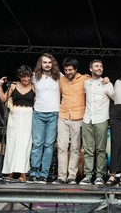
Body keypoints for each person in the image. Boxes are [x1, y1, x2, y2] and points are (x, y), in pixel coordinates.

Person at [52, 57, 90, 185]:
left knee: (75, 148)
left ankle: (72, 176)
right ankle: (61, 176)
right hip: (63, 116)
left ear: (76, 69)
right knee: (62, 147)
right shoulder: (61, 80)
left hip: (78, 116)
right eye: (66, 70)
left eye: (70, 70)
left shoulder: (84, 79)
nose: (68, 72)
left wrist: (105, 80)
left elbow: (97, 82)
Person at [0, 65, 35, 182]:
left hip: (28, 116)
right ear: (19, 76)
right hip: (15, 116)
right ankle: (10, 172)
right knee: (12, 143)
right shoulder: (13, 86)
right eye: (24, 77)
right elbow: (3, 98)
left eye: (28, 76)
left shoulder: (34, 87)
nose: (26, 79)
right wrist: (0, 86)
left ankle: (23, 173)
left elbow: (38, 103)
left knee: (25, 145)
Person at [28, 53, 61, 184]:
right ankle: (34, 172)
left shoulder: (59, 76)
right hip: (38, 113)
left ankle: (43, 174)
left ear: (53, 64)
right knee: (37, 144)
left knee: (49, 145)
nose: (47, 65)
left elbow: (75, 79)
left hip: (54, 113)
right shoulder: (34, 77)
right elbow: (24, 86)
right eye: (44, 62)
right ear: (40, 64)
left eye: (49, 62)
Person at [80, 59, 114, 186]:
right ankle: (88, 175)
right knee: (88, 149)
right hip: (87, 118)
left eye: (101, 66)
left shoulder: (107, 83)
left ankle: (99, 175)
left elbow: (116, 98)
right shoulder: (86, 83)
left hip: (101, 119)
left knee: (100, 149)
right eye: (96, 66)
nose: (99, 68)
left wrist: (109, 81)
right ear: (90, 69)